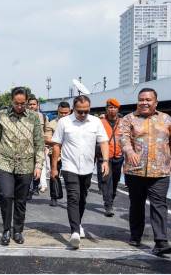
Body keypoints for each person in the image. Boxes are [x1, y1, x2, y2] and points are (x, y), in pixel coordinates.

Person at [120, 88, 171, 256]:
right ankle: (136, 236)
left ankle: (161, 241)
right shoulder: (129, 119)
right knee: (136, 204)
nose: (144, 102)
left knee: (159, 205)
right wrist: (129, 152)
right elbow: (123, 138)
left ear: (155, 102)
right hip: (135, 171)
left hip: (160, 171)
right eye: (141, 99)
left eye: (148, 99)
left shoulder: (166, 119)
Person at [51, 95, 109, 250]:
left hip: (88, 167)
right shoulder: (64, 122)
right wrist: (54, 167)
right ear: (73, 109)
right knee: (73, 197)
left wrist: (105, 161)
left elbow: (103, 141)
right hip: (70, 166)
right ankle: (75, 232)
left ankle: (78, 223)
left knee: (82, 198)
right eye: (79, 112)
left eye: (86, 111)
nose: (83, 114)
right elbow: (56, 145)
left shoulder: (96, 122)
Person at [0, 87, 45, 245]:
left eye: (23, 103)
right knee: (6, 196)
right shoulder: (2, 115)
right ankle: (6, 229)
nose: (20, 106)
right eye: (16, 103)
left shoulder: (33, 117)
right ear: (11, 101)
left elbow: (39, 143)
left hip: (26, 165)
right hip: (4, 162)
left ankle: (18, 230)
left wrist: (39, 165)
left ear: (27, 101)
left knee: (21, 200)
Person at [96, 98, 124, 217]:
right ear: (106, 109)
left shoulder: (123, 122)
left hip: (118, 156)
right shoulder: (100, 122)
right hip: (104, 157)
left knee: (115, 181)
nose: (112, 110)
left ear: (118, 109)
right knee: (106, 181)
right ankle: (108, 205)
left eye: (114, 108)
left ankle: (111, 199)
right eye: (109, 107)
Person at [44, 101, 71, 207]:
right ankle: (54, 197)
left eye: (66, 113)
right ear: (58, 111)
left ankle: (71, 198)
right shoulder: (52, 124)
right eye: (61, 113)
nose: (64, 115)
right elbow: (47, 139)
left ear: (70, 112)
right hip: (55, 154)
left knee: (70, 177)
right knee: (54, 175)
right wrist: (61, 142)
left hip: (71, 154)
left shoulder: (75, 123)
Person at [27, 97, 49, 197]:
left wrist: (46, 145)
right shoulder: (24, 116)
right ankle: (27, 188)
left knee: (38, 166)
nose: (32, 106)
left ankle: (35, 187)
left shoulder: (43, 117)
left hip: (39, 146)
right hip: (26, 146)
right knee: (27, 168)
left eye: (34, 104)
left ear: (38, 105)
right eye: (30, 104)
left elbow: (46, 131)